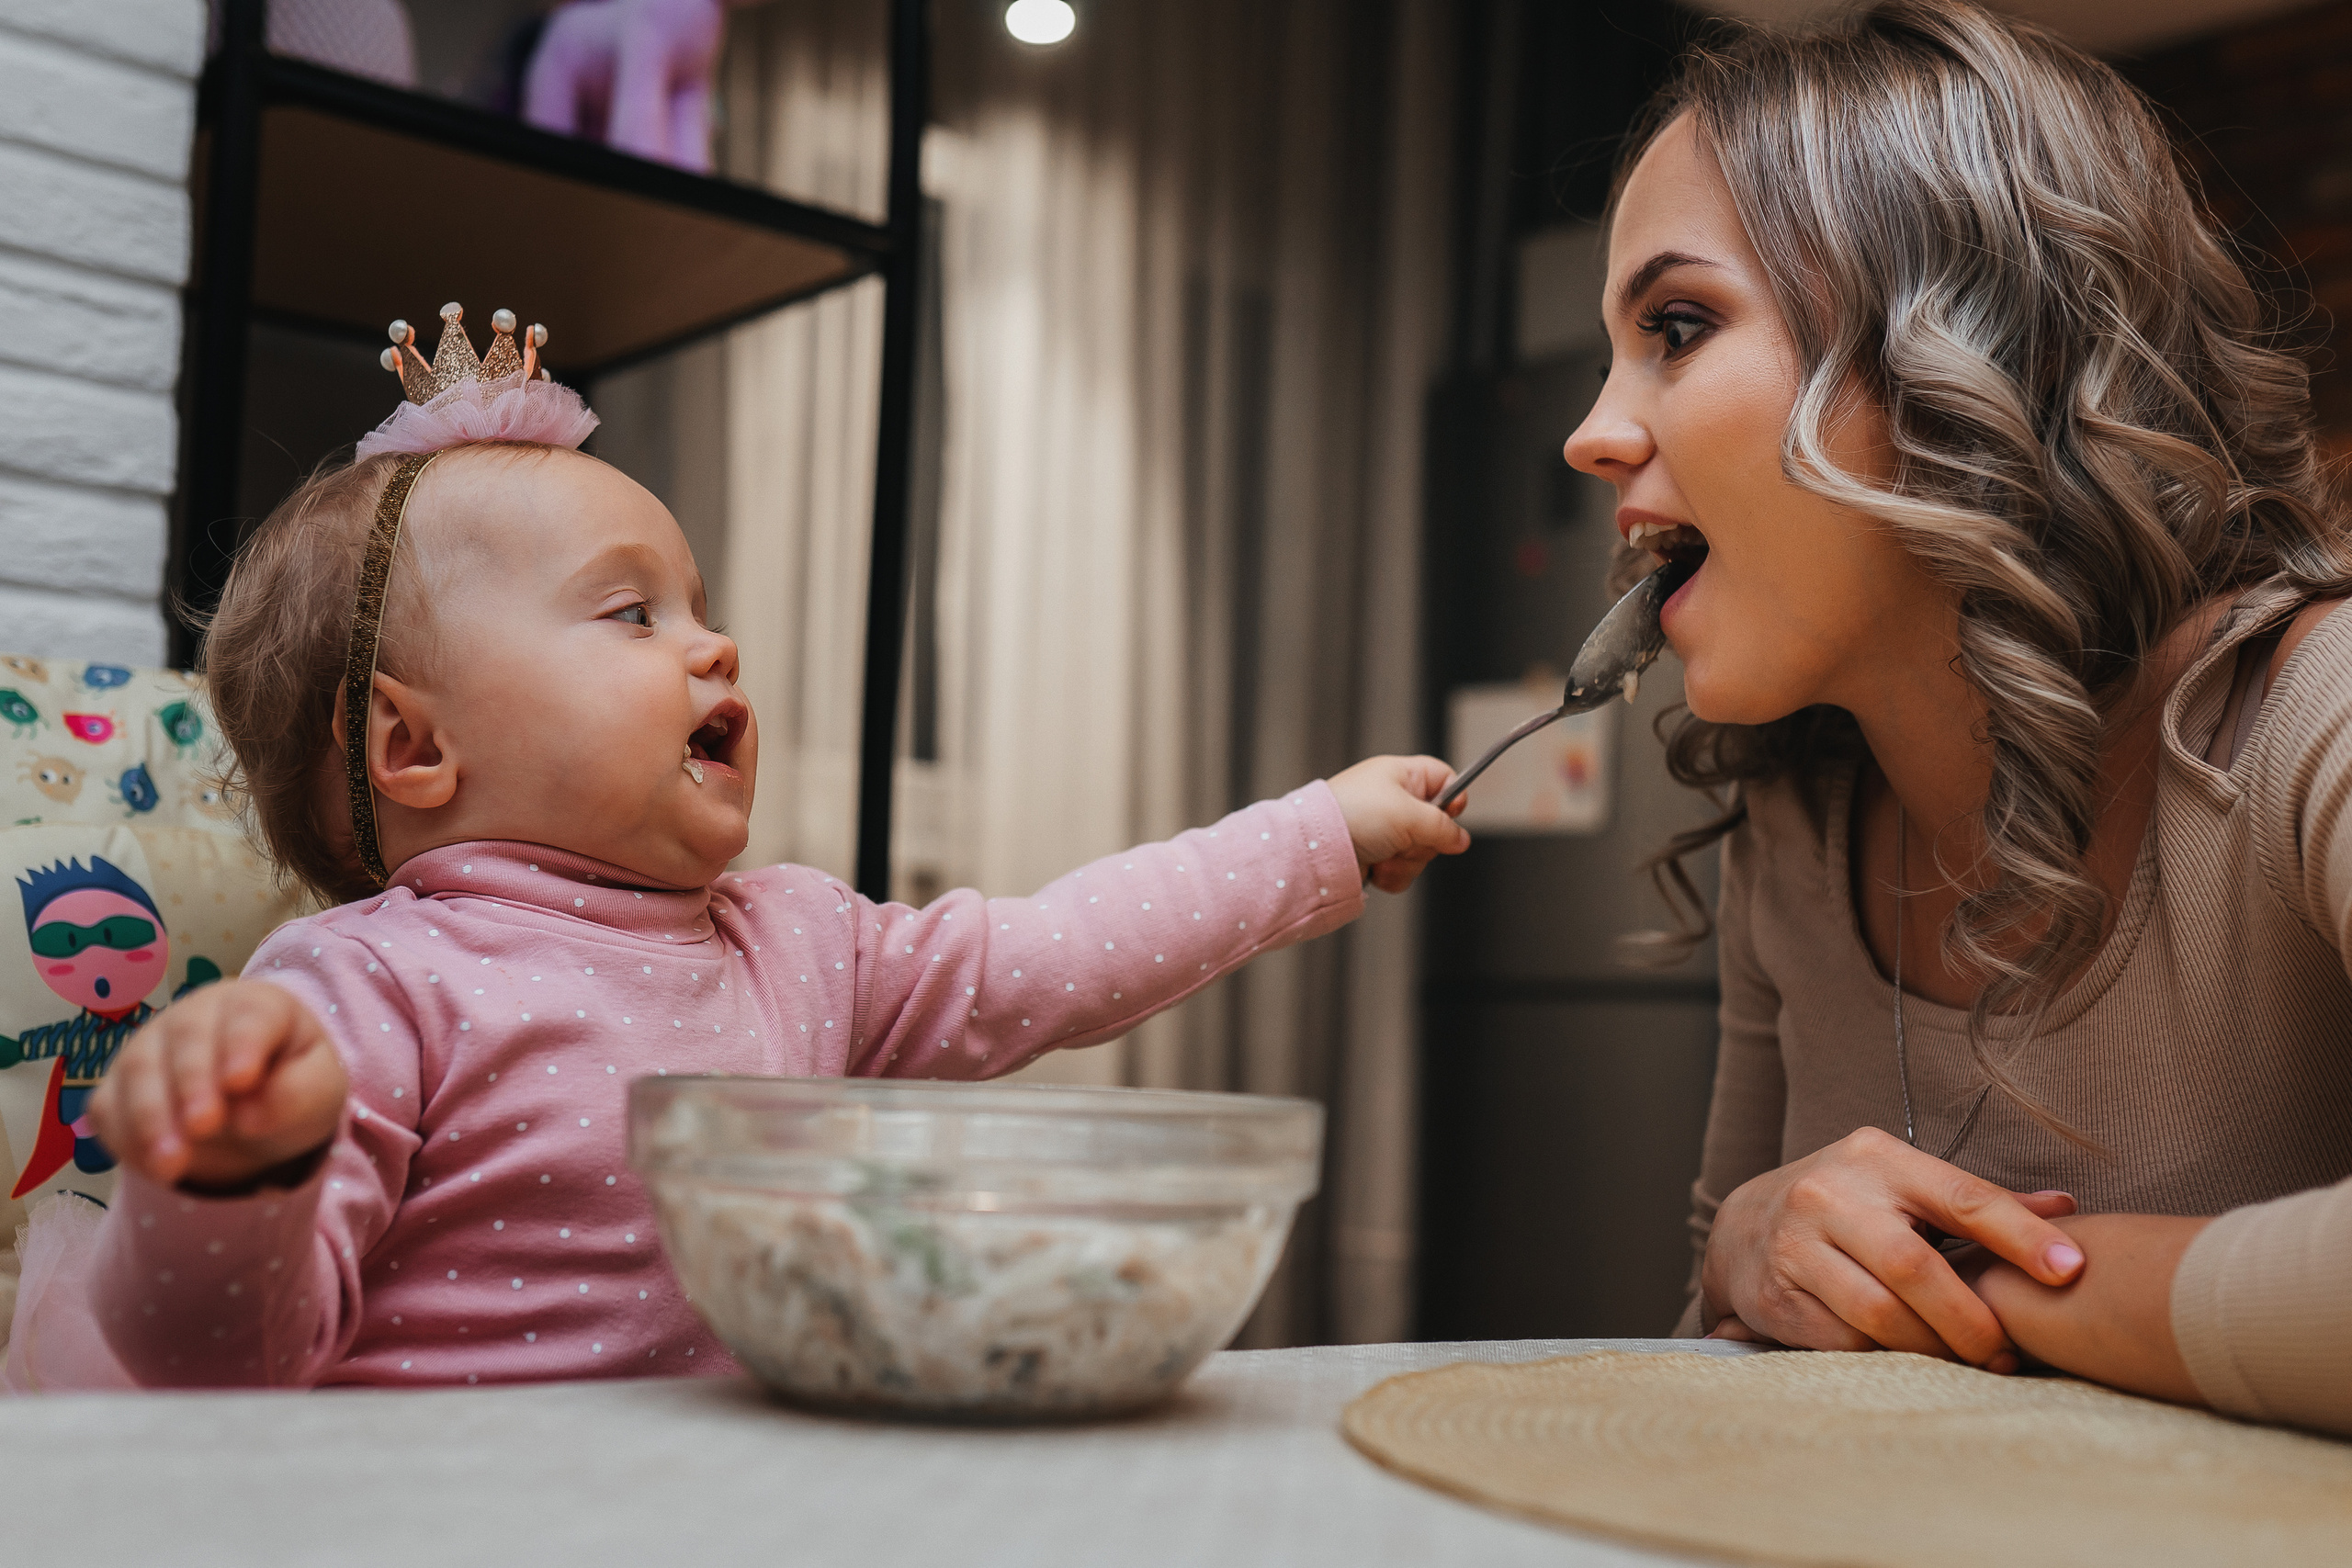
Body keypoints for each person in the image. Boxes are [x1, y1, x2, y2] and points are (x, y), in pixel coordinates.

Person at [65, 303, 1468, 1389]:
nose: (715, 643)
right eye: (631, 615)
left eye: (700, 604)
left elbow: (1059, 952)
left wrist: (1313, 833)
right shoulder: (362, 989)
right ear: (412, 748)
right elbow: (224, 1367)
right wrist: (227, 1178)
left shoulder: (800, 939)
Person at [1568, 0, 2352, 1435]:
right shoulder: (1796, 828)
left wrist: (1993, 1291)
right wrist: (1751, 1248)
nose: (1594, 431)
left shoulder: (2320, 721)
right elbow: (1723, 1400)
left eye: (1677, 327)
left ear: (1960, 342)